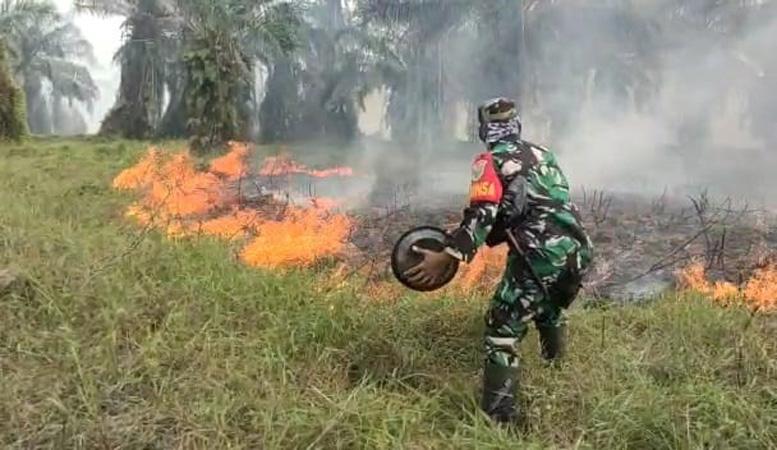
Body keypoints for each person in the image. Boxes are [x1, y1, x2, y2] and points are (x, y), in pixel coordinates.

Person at [403, 98, 593, 424]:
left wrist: (447, 255)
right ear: (516, 125)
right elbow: (539, 205)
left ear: (484, 130)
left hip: (538, 253)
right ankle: (558, 377)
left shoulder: (488, 161)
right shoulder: (542, 154)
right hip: (577, 248)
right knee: (548, 308)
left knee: (502, 324)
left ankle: (499, 419)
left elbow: (483, 214)